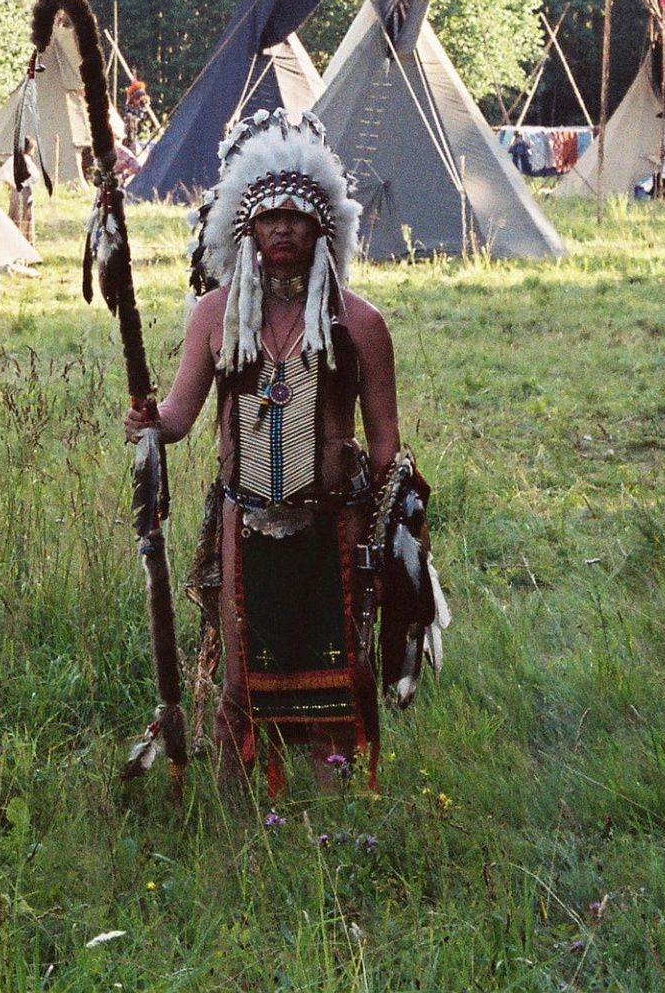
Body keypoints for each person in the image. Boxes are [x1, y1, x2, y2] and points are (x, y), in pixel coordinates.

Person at [124, 109, 440, 794]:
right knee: (244, 670)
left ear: (324, 225)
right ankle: (242, 808)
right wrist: (150, 422)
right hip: (246, 523)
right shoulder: (214, 314)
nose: (284, 229)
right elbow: (179, 416)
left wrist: (396, 542)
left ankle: (334, 802)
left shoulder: (359, 323)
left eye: (298, 217)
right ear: (245, 227)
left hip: (335, 523)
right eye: (269, 218)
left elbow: (385, 442)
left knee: (337, 667)